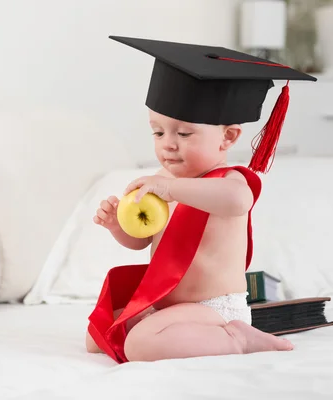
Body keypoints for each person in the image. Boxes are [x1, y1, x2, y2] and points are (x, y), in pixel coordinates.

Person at [85, 35, 316, 363]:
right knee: (99, 334)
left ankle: (237, 338)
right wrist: (116, 227)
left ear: (228, 136)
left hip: (215, 309)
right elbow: (142, 240)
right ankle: (171, 331)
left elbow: (239, 202)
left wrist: (171, 190)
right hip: (167, 303)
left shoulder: (229, 182)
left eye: (183, 133)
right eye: (158, 132)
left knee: (139, 344)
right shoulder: (162, 181)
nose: (168, 144)